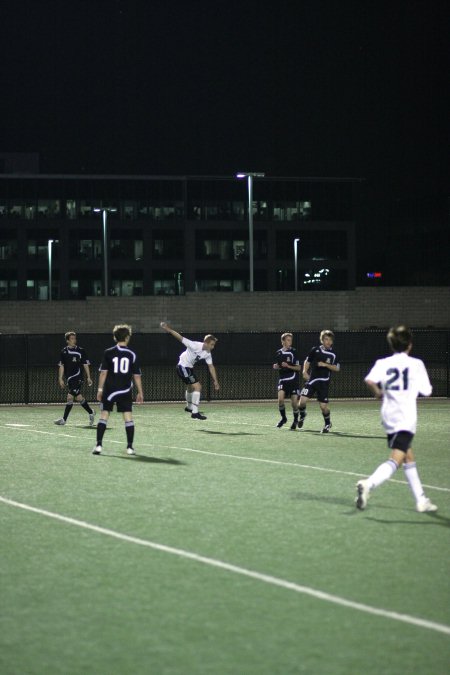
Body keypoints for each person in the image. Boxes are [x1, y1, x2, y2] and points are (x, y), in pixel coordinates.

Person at [355, 325, 437, 513]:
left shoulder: (383, 363)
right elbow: (427, 391)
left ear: (391, 345)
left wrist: (378, 393)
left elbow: (369, 380)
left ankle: (421, 500)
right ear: (409, 344)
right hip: (405, 418)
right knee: (397, 458)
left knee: (408, 455)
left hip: (389, 416)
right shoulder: (416, 364)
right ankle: (369, 484)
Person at [92, 324, 144, 455]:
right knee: (128, 417)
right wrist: (140, 392)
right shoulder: (132, 354)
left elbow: (103, 373)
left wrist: (99, 389)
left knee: (104, 416)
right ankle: (130, 447)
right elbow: (136, 376)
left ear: (115, 337)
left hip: (109, 390)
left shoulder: (108, 352)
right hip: (125, 390)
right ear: (127, 337)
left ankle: (98, 446)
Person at [160, 321, 219, 420]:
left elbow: (211, 366)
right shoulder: (195, 345)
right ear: (206, 343)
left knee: (190, 387)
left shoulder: (207, 353)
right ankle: (195, 413)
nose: (213, 347)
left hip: (188, 368)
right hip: (182, 367)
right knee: (198, 386)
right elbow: (180, 338)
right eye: (212, 344)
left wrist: (215, 381)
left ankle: (189, 407)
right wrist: (168, 329)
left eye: (214, 345)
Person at [298, 330, 340, 433]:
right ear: (322, 340)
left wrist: (325, 365)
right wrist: (304, 371)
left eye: (330, 340)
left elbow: (337, 368)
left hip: (324, 382)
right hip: (312, 380)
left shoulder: (333, 354)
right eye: (326, 339)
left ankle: (327, 424)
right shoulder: (315, 350)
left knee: (323, 406)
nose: (328, 341)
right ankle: (303, 414)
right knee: (301, 402)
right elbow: (307, 361)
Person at [54, 331, 95, 426]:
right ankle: (91, 412)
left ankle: (64, 419)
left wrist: (89, 377)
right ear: (67, 340)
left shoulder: (81, 350)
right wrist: (60, 378)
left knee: (70, 397)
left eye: (75, 338)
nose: (74, 340)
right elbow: (61, 365)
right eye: (72, 338)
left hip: (78, 377)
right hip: (69, 379)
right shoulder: (63, 351)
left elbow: (85, 364)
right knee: (79, 398)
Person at [273, 332, 301, 429]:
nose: (290, 342)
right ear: (283, 341)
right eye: (288, 340)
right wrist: (276, 366)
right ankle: (284, 418)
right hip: (283, 380)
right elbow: (279, 365)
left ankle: (295, 420)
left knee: (294, 403)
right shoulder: (278, 353)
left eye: (291, 340)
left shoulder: (294, 352)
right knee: (280, 400)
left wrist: (288, 366)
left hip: (293, 380)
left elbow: (298, 368)